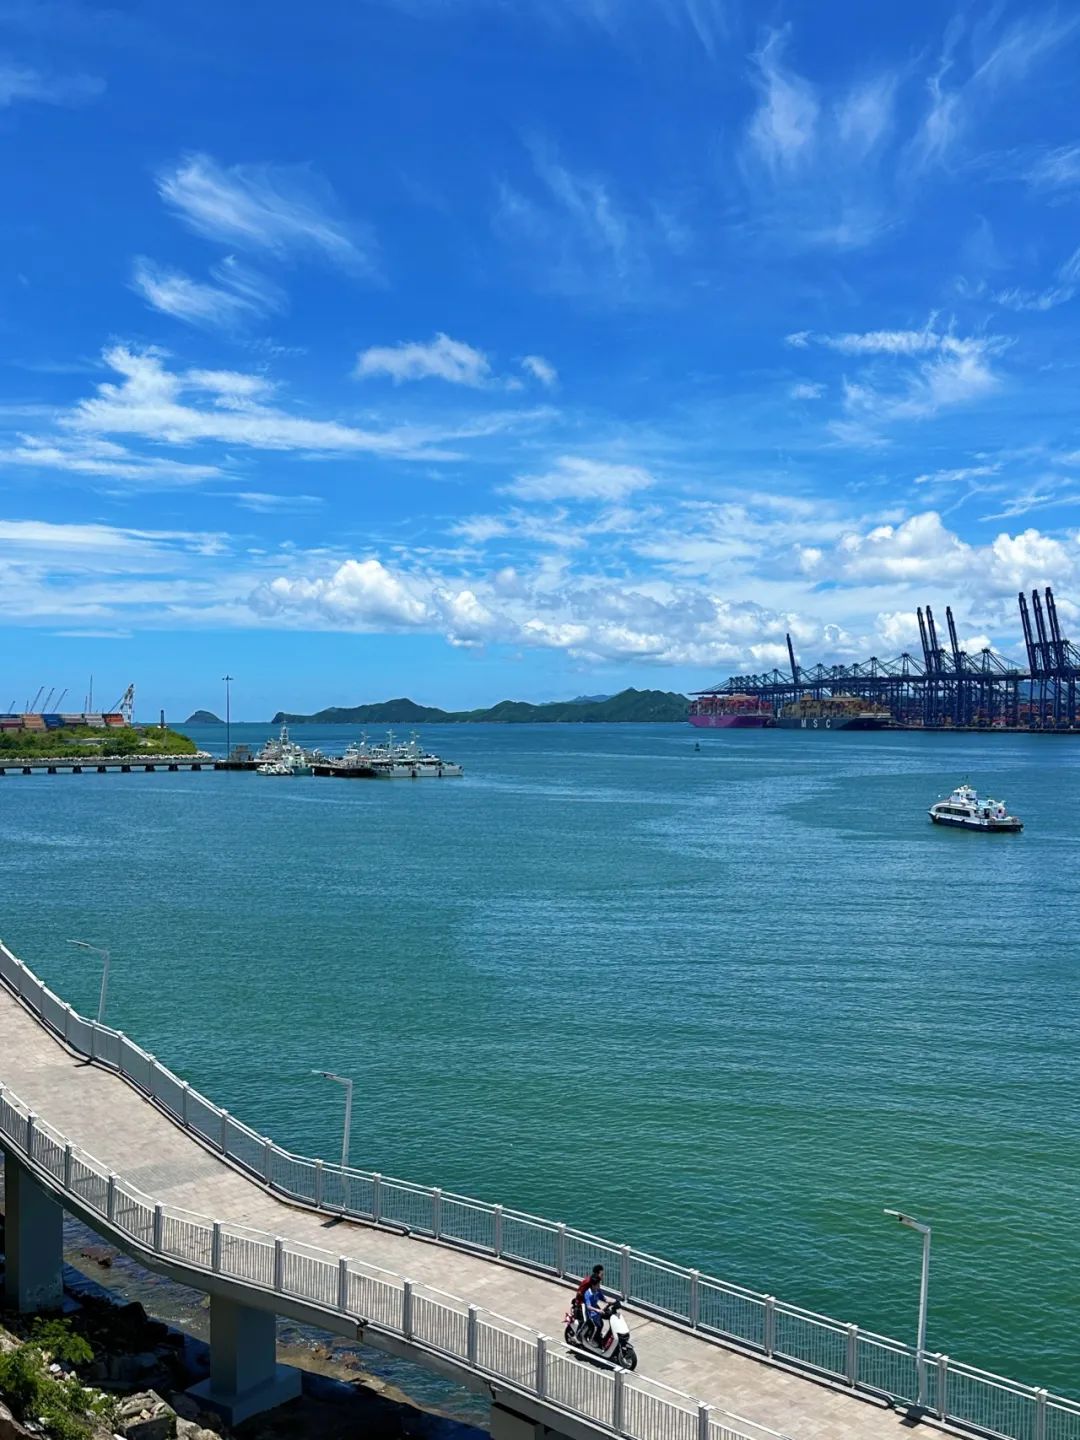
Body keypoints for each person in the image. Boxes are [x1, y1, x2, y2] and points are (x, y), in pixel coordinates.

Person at [572, 1265, 605, 1337]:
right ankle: (578, 1335)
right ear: (597, 1274)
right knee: (586, 1321)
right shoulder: (588, 1281)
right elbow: (580, 1292)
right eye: (601, 1274)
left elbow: (600, 1294)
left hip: (590, 1302)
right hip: (582, 1303)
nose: (603, 1276)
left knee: (600, 1314)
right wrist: (582, 1302)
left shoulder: (596, 1282)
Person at [582, 1269, 609, 1347]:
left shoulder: (597, 1290)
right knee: (596, 1327)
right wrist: (597, 1310)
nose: (599, 1285)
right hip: (590, 1314)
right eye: (598, 1284)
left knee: (601, 1324)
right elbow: (588, 1306)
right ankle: (591, 1340)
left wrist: (610, 1302)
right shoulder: (588, 1294)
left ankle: (597, 1338)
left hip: (597, 1313)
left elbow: (603, 1298)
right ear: (593, 1285)